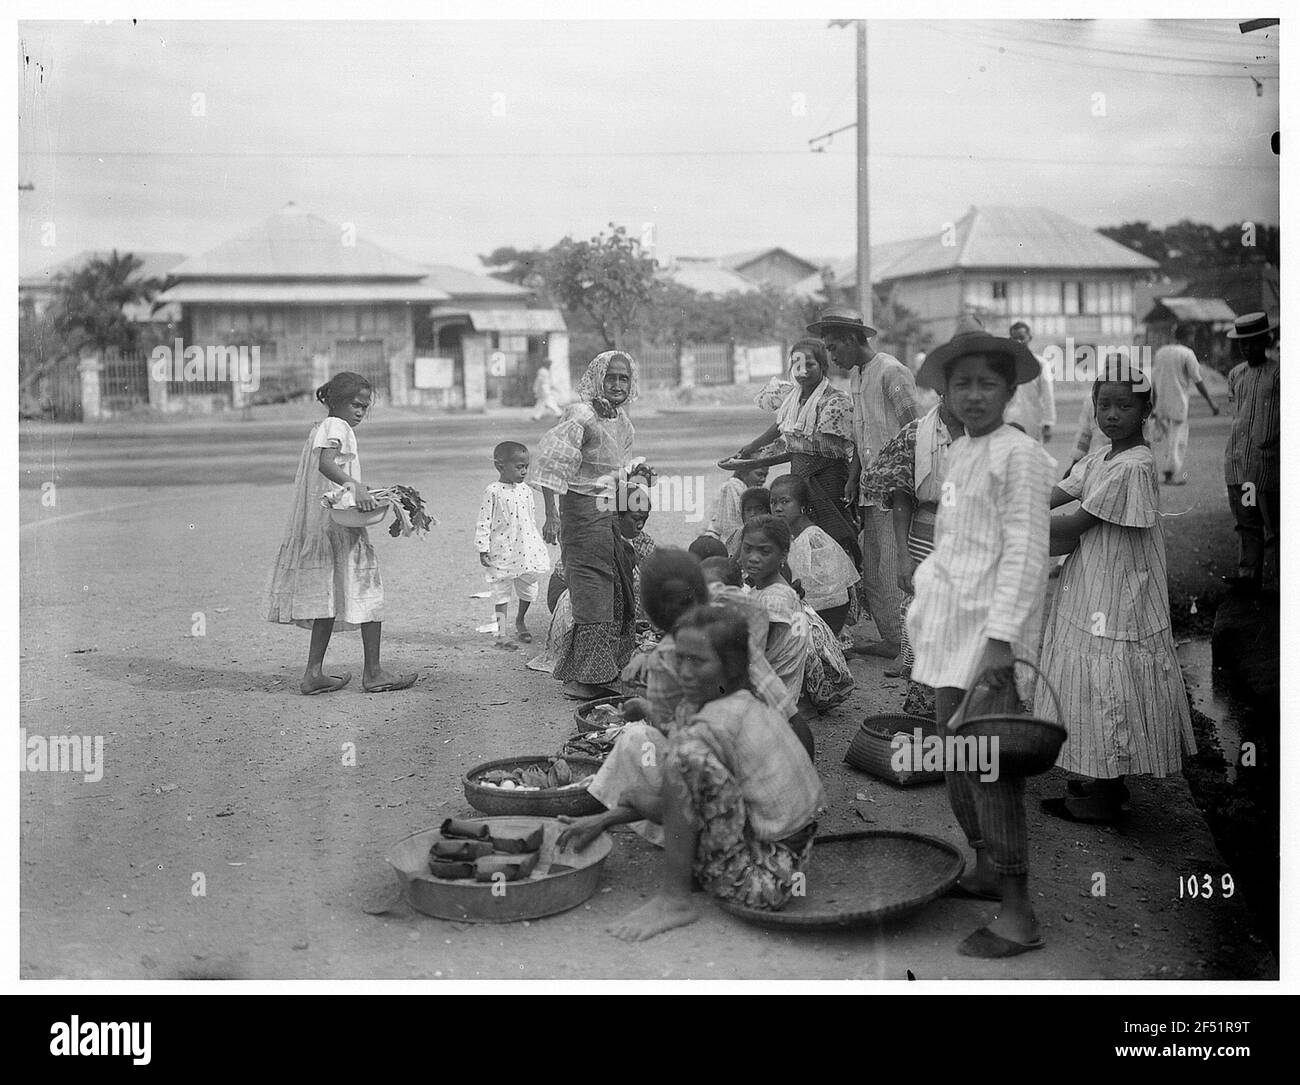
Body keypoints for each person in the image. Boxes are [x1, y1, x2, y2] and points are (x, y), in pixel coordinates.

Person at [908, 316, 1054, 958]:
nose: (973, 395)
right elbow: (948, 544)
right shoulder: (960, 452)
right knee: (953, 757)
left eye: (986, 384)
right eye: (960, 384)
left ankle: (1018, 912)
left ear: (1008, 390)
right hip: (948, 630)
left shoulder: (1021, 457)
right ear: (944, 392)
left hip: (990, 636)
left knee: (988, 766)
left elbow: (1026, 552)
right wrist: (922, 609)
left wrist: (1001, 642)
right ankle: (987, 864)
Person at [605, 606, 824, 942]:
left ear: (730, 666)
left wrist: (621, 806)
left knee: (683, 760)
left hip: (765, 878)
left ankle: (674, 899)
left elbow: (667, 808)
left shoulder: (711, 724)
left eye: (698, 661)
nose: (685, 672)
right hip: (794, 857)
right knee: (689, 758)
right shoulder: (744, 701)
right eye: (681, 659)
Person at [1037, 362, 1196, 823]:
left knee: (1111, 678)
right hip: (1095, 580)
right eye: (1103, 405)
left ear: (1146, 409)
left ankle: (1107, 797)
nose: (1111, 415)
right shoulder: (1100, 459)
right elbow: (1057, 494)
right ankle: (1105, 780)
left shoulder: (1135, 466)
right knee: (1098, 676)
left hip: (1120, 589)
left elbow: (1075, 523)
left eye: (1124, 406)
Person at [266, 372, 416, 695]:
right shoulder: (338, 426)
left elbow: (330, 471)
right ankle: (373, 673)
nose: (361, 412)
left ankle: (313, 674)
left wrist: (360, 490)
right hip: (339, 528)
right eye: (356, 405)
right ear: (336, 402)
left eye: (365, 407)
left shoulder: (322, 428)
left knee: (327, 600)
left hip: (324, 524)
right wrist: (355, 485)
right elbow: (326, 463)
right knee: (368, 589)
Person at [810, 305, 921, 657]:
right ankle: (890, 638)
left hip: (895, 490)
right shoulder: (857, 376)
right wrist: (855, 476)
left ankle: (906, 645)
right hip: (869, 490)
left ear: (852, 339)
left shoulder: (891, 372)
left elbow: (914, 429)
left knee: (893, 565)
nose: (830, 355)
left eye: (832, 347)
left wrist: (902, 480)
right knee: (873, 566)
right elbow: (861, 434)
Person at [532, 351, 643, 700]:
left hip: (608, 510)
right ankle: (587, 680)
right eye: (610, 378)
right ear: (596, 379)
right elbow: (552, 464)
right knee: (593, 588)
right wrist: (552, 515)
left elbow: (617, 472)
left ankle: (602, 670)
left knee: (617, 584)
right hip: (580, 511)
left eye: (623, 379)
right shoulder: (581, 415)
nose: (617, 385)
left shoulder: (623, 423)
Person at [861, 392, 965, 708]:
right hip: (925, 537)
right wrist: (904, 556)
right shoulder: (917, 434)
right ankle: (926, 710)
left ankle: (965, 714)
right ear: (943, 389)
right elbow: (902, 498)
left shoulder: (991, 435)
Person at [731, 338, 860, 562]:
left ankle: (847, 585)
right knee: (800, 528)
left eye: (809, 364)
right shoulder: (791, 398)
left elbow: (856, 440)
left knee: (836, 531)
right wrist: (753, 447)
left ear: (823, 365)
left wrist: (852, 479)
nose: (802, 371)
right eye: (797, 365)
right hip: (799, 475)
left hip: (829, 476)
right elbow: (781, 427)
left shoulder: (836, 400)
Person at [1222, 312, 1280, 593]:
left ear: (1266, 340)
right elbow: (1238, 414)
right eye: (1244, 344)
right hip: (1240, 463)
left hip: (1268, 464)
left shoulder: (1280, 373)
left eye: (1254, 342)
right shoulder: (1236, 374)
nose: (1248, 349)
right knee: (1247, 521)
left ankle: (1277, 581)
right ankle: (1248, 576)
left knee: (1275, 525)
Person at [475, 440, 551, 649]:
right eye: (519, 467)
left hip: (525, 550)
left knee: (529, 589)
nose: (524, 471)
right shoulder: (493, 491)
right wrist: (483, 548)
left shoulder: (525, 490)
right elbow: (484, 520)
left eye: (526, 466)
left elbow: (530, 519)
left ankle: (520, 620)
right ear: (500, 466)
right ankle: (500, 633)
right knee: (501, 593)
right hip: (502, 550)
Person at [768, 474, 860, 636]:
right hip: (809, 612)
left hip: (823, 616)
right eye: (773, 502)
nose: (778, 508)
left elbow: (820, 595)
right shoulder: (791, 534)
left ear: (802, 505)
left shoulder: (811, 538)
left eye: (785, 501)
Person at [1150, 325, 1219, 485]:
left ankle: (1167, 472)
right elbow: (1198, 380)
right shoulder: (1187, 354)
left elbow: (1155, 380)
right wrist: (1211, 403)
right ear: (1188, 336)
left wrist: (1153, 405)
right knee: (1177, 440)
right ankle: (1170, 475)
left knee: (1168, 441)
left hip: (1162, 404)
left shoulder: (1161, 352)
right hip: (1178, 403)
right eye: (1192, 336)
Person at [1005, 322, 1057, 445]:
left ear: (1029, 338)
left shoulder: (1040, 364)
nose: (1018, 342)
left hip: (1032, 422)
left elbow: (1047, 395)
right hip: (1008, 422)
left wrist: (1048, 423)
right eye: (1014, 338)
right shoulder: (1004, 365)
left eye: (1021, 338)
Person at [704, 462, 768, 543]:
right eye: (759, 475)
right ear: (744, 473)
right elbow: (731, 525)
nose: (763, 479)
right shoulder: (732, 487)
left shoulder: (744, 489)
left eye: (765, 475)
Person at [725, 486, 772, 560]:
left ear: (768, 511)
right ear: (743, 514)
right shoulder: (737, 535)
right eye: (748, 509)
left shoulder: (773, 533)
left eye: (759, 508)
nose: (753, 513)